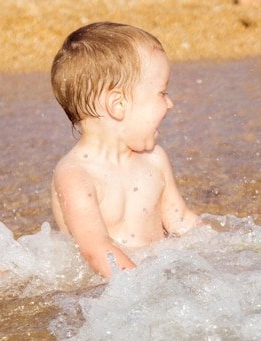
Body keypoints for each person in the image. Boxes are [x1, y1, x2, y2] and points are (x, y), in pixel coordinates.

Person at [50, 22, 199, 278]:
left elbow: (182, 221)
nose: (170, 103)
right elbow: (96, 251)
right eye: (162, 93)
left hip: (150, 277)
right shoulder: (76, 175)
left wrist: (237, 250)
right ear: (118, 104)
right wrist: (147, 290)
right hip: (107, 293)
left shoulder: (155, 160)